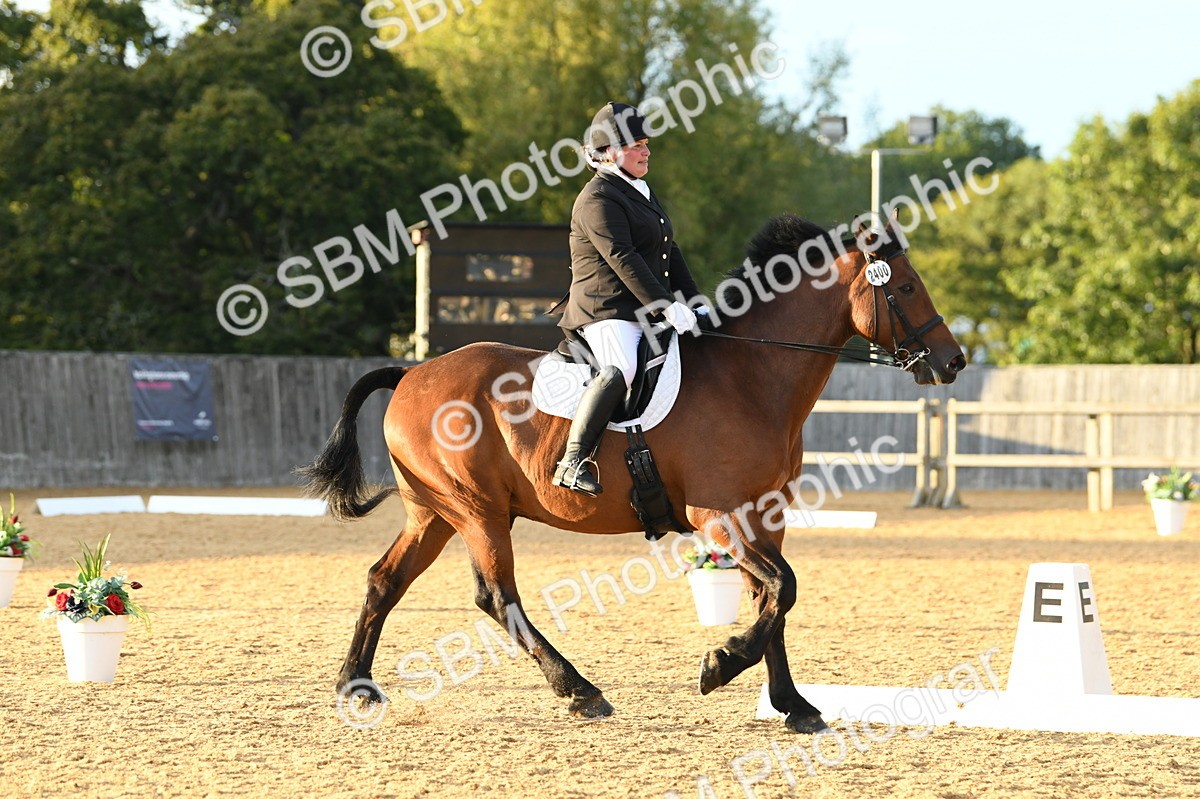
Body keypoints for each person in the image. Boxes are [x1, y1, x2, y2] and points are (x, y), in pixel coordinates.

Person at [548, 101, 706, 496]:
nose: (647, 151)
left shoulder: (639, 191)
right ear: (611, 151)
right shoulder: (597, 198)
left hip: (641, 310)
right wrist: (665, 305)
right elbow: (622, 257)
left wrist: (694, 300)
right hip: (605, 311)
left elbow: (670, 250)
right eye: (638, 145)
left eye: (646, 143)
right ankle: (572, 461)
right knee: (623, 367)